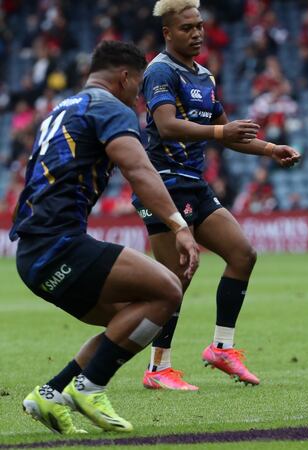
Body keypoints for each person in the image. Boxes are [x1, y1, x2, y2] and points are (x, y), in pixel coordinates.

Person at [12, 40, 199, 434]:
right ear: (124, 78)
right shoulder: (111, 107)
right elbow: (139, 169)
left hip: (32, 256)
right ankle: (91, 387)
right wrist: (180, 227)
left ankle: (51, 392)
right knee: (168, 291)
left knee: (127, 322)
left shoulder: (63, 109)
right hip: (58, 244)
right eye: (139, 89)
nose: (140, 99)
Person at [136, 0, 301, 390]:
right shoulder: (160, 70)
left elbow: (228, 132)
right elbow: (167, 125)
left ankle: (222, 348)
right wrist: (218, 134)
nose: (196, 33)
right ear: (168, 33)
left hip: (193, 182)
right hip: (162, 183)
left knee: (243, 254)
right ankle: (158, 369)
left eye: (199, 26)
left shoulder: (204, 76)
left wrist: (270, 149)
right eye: (186, 28)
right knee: (175, 280)